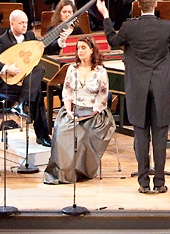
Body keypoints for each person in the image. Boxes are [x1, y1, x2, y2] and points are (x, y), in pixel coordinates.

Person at [100, 0, 170, 194]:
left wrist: (105, 16)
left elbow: (113, 40)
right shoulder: (167, 26)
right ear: (156, 4)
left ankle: (143, 183)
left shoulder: (129, 27)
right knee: (160, 134)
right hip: (160, 87)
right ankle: (160, 182)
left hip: (137, 87)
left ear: (138, 5)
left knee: (141, 134)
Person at [43, 37, 116, 184]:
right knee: (62, 132)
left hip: (94, 113)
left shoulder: (100, 71)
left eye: (83, 48)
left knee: (83, 134)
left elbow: (103, 95)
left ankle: (80, 171)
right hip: (74, 110)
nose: (80, 51)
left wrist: (94, 111)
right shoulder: (72, 68)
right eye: (78, 48)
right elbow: (67, 92)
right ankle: (62, 172)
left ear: (92, 50)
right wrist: (69, 110)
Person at [0, 9, 52, 147]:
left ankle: (22, 104)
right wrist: (6, 68)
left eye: (26, 22)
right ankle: (42, 136)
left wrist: (60, 41)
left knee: (39, 69)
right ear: (12, 24)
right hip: (10, 84)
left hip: (27, 82)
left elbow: (43, 49)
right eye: (21, 23)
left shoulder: (30, 36)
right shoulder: (3, 41)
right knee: (36, 94)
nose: (24, 25)